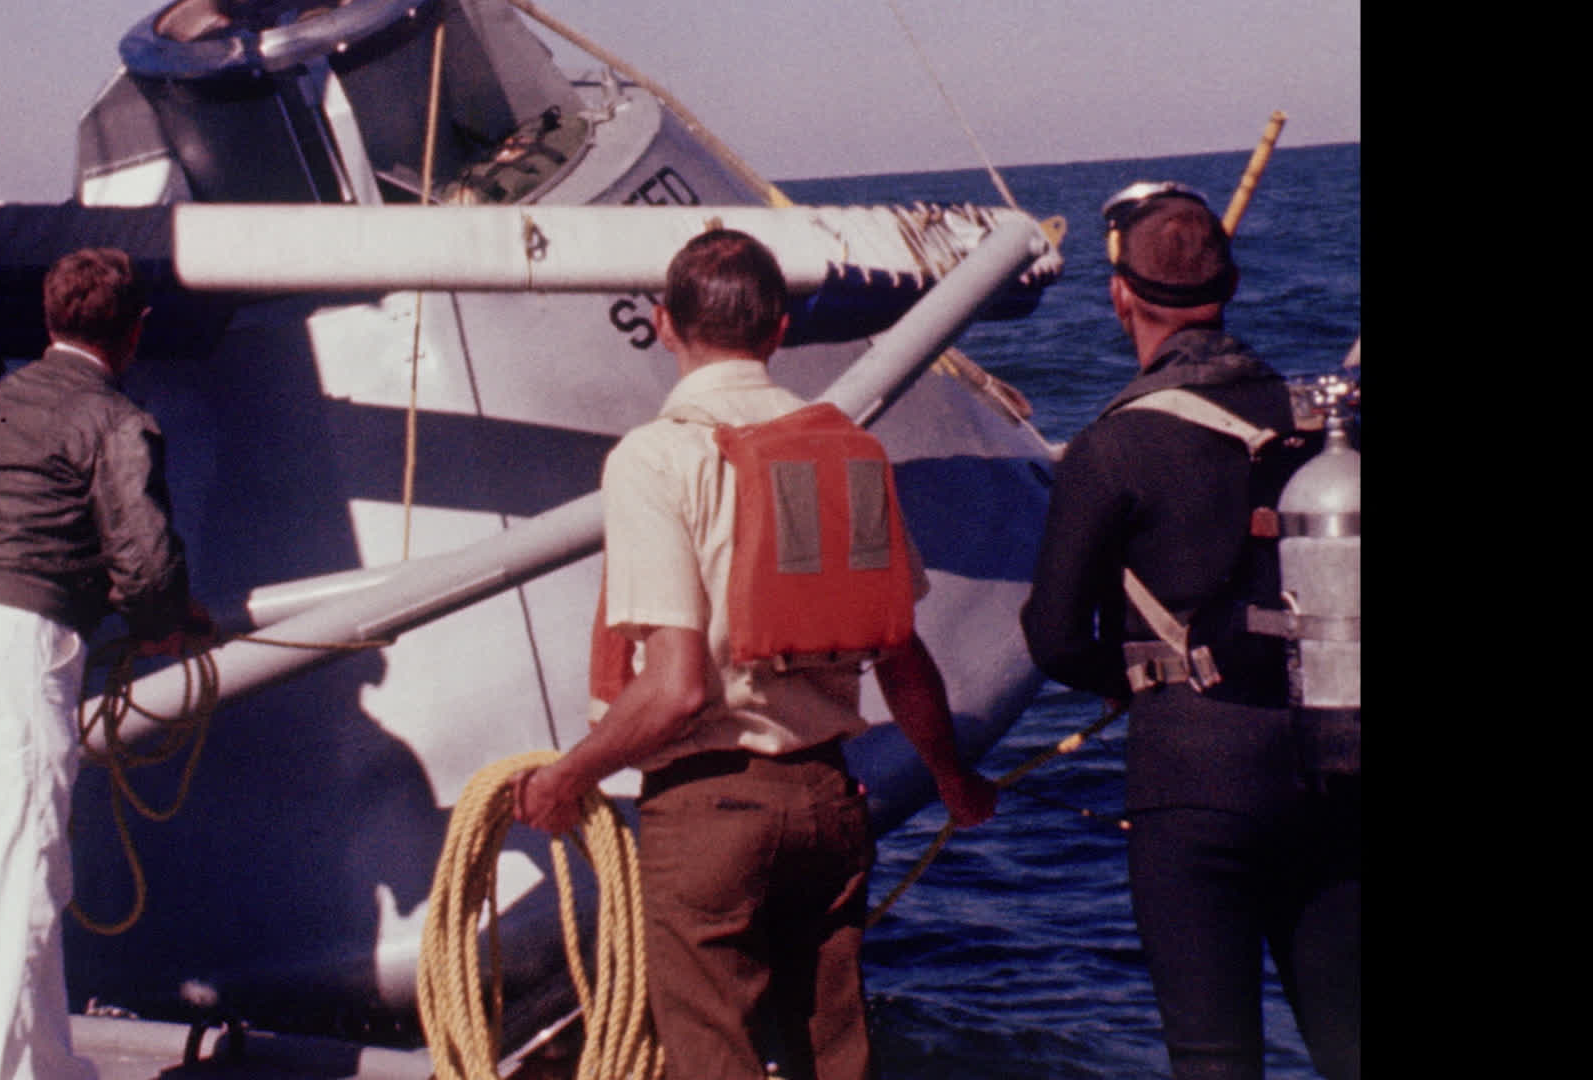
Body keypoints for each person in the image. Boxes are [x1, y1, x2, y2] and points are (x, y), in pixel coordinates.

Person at [510, 229, 997, 1080]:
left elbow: (674, 691)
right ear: (780, 331)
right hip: (830, 803)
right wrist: (952, 780)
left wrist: (564, 780)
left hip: (711, 812)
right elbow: (901, 655)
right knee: (835, 1059)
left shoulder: (656, 459)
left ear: (664, 325)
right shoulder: (845, 454)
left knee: (712, 1063)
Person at [1019, 185, 1360, 1080]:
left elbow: (1052, 636)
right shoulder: (1316, 425)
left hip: (1194, 779)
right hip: (1333, 764)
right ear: (1235, 283)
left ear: (1120, 295)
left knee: (1213, 1059)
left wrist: (1144, 679)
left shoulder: (1113, 447)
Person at [0, 247, 214, 1080]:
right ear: (136, 332)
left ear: (50, 322)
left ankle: (44, 1067)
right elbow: (146, 565)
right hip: (16, 650)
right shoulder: (115, 420)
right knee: (20, 888)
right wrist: (163, 624)